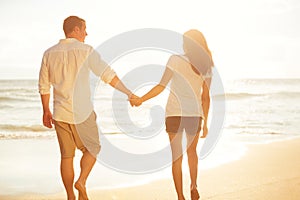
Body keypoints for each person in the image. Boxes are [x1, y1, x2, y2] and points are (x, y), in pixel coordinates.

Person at [39, 16, 137, 200]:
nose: (86, 33)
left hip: (60, 113)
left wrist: (46, 110)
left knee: (66, 157)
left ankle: (70, 195)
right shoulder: (86, 51)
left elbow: (44, 85)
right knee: (93, 148)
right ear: (75, 30)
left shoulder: (49, 53)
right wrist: (128, 93)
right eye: (84, 29)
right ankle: (81, 181)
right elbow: (108, 75)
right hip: (82, 112)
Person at [130, 29, 213, 200]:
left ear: (186, 43)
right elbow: (206, 97)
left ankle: (180, 197)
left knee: (177, 157)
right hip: (194, 115)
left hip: (174, 114)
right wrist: (205, 122)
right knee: (192, 153)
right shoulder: (206, 65)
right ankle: (194, 185)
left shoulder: (175, 60)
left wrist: (141, 99)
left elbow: (161, 86)